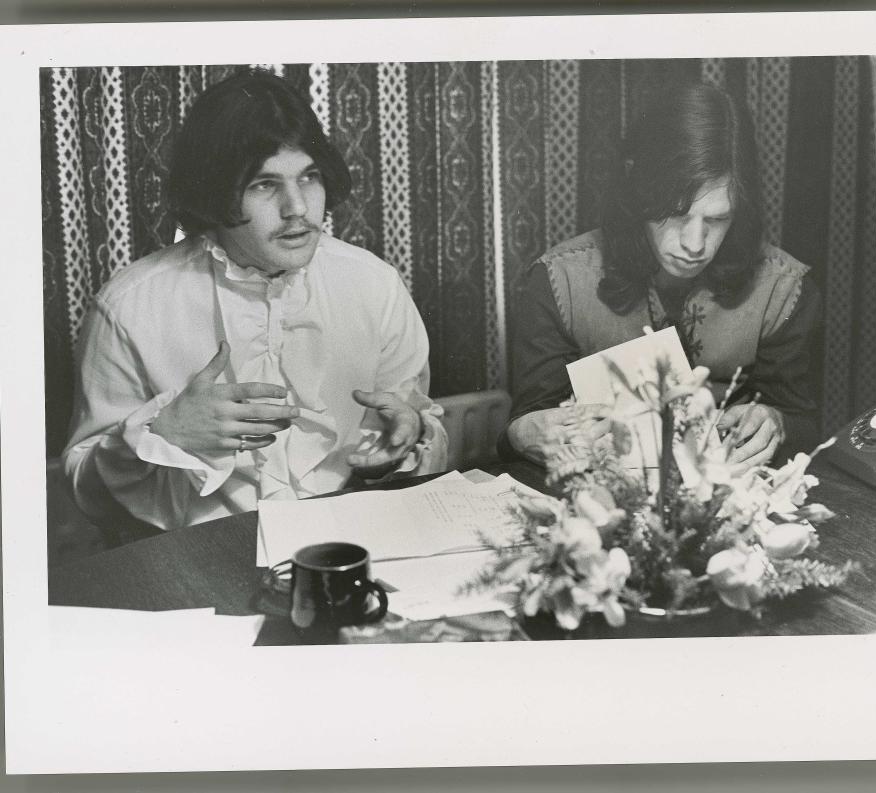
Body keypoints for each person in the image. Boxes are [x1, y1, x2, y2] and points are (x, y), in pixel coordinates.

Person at [63, 69, 447, 531]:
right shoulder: (128, 306)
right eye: (264, 185)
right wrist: (164, 435)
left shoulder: (375, 285)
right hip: (196, 559)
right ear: (214, 192)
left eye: (309, 178)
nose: (298, 209)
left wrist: (407, 441)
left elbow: (423, 425)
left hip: (351, 540)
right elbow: (83, 496)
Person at [500, 81, 821, 472]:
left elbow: (805, 425)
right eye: (676, 213)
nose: (695, 243)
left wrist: (777, 422)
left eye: (718, 219)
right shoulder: (559, 280)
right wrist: (521, 432)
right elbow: (526, 428)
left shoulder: (783, 289)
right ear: (638, 191)